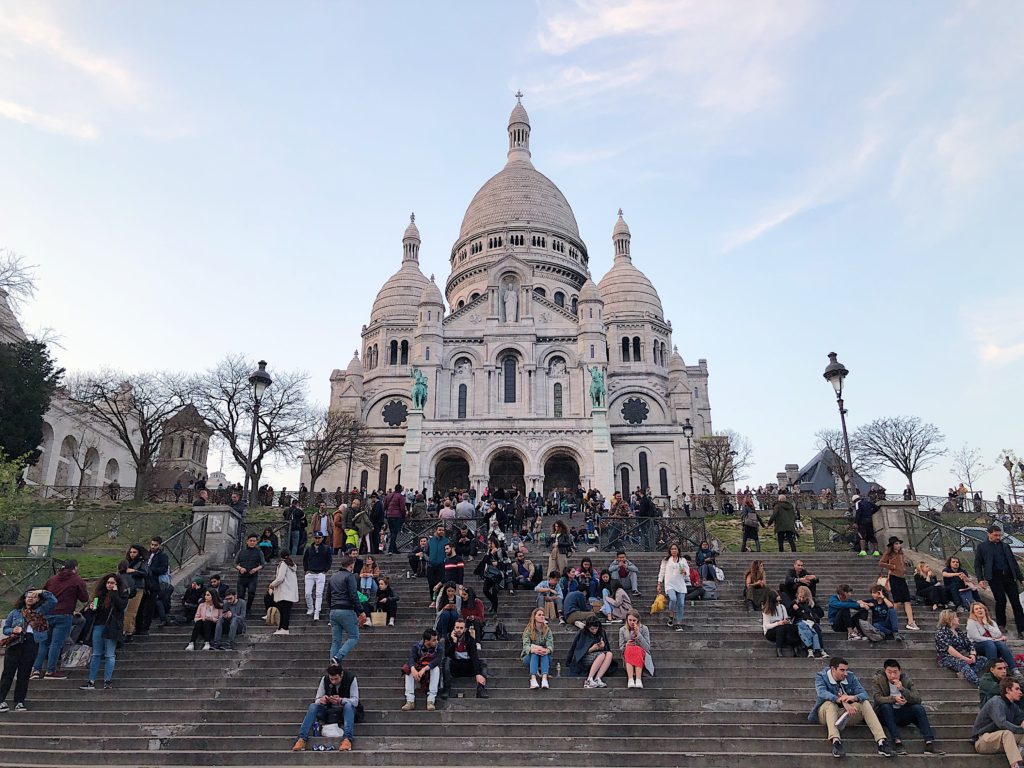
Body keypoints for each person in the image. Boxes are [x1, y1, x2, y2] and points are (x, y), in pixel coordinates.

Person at [808, 656, 894, 759]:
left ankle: (881, 742)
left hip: (847, 714)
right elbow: (822, 693)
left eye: (846, 670)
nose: (845, 673)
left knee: (864, 702)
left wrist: (852, 698)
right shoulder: (821, 676)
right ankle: (836, 742)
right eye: (842, 670)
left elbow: (864, 694)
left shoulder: (850, 677)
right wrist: (841, 700)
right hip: (826, 714)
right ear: (833, 669)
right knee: (830, 704)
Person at [871, 658, 942, 755]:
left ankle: (929, 742)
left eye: (895, 672)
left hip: (901, 713)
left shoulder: (906, 680)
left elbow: (917, 699)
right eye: (889, 672)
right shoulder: (878, 680)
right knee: (886, 706)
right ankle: (897, 742)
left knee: (918, 708)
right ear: (885, 671)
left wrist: (902, 690)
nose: (892, 675)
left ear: (899, 671)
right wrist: (894, 699)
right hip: (884, 714)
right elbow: (877, 698)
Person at [0, 588, 57, 712]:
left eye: (34, 596)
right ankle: (1, 700)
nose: (30, 598)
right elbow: (6, 629)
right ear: (24, 598)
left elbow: (53, 601)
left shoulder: (40, 611)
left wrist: (41, 591)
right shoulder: (15, 612)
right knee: (8, 673)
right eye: (28, 596)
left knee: (24, 674)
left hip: (31, 642)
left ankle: (19, 701)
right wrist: (13, 630)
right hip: (16, 642)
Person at [35, 560, 88, 680]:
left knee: (43, 643)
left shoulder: (52, 579)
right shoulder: (77, 580)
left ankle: (36, 670)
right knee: (56, 644)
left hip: (47, 614)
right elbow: (84, 598)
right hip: (64, 615)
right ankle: (50, 671)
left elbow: (43, 594)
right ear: (75, 567)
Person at [292, 663, 360, 752]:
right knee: (313, 706)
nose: (334, 682)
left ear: (342, 674)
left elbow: (355, 701)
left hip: (345, 712)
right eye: (331, 679)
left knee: (348, 706)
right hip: (329, 711)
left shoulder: (351, 678)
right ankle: (302, 739)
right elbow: (317, 700)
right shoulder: (325, 679)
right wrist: (322, 699)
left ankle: (347, 739)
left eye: (336, 679)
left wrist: (341, 700)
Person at [80, 574, 129, 691]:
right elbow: (93, 612)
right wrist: (92, 609)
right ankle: (91, 680)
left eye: (112, 583)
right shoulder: (100, 595)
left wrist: (115, 593)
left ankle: (108, 680)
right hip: (99, 625)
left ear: (117, 584)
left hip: (112, 627)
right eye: (108, 583)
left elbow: (121, 606)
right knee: (96, 654)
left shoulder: (122, 594)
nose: (109, 585)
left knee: (109, 654)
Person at [976, 525, 1024, 640]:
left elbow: (1013, 562)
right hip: (995, 577)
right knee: (1000, 600)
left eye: (999, 535)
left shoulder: (1005, 546)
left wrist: (1020, 578)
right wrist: (980, 579)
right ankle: (1001, 624)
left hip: (1008, 576)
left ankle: (1021, 629)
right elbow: (978, 564)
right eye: (995, 535)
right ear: (989, 534)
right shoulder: (982, 547)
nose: (998, 537)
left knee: (1016, 603)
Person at [972, 677, 1024, 767]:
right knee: (1007, 733)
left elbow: (1021, 717)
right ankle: (1015, 765)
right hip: (983, 740)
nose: (1020, 692)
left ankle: (1020, 757)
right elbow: (1002, 723)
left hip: (1002, 742)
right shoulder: (996, 702)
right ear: (1008, 690)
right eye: (1017, 689)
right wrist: (1021, 729)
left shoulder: (1013, 706)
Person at [934, 609, 988, 685]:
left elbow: (970, 644)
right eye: (956, 617)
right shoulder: (941, 633)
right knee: (961, 663)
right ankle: (979, 683)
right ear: (950, 619)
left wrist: (973, 655)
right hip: (946, 658)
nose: (958, 619)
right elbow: (950, 649)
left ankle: (964, 673)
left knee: (983, 659)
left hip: (963, 655)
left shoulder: (959, 631)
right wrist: (964, 658)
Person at [441, 617, 489, 699]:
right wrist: (454, 642)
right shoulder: (449, 638)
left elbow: (474, 656)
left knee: (483, 662)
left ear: (464, 629)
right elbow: (448, 655)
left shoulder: (470, 639)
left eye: (461, 628)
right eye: (457, 627)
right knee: (446, 660)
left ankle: (481, 689)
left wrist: (477, 673)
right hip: (455, 667)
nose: (459, 630)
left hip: (468, 666)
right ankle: (447, 689)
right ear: (454, 628)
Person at [877, 537, 918, 630]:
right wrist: (892, 566)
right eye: (896, 544)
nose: (898, 545)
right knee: (897, 601)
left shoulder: (901, 553)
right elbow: (881, 563)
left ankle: (911, 621)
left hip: (902, 577)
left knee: (907, 600)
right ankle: (891, 620)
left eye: (899, 543)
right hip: (894, 577)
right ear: (892, 545)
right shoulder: (889, 553)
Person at [968, 602, 1020, 675]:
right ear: (973, 612)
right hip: (977, 646)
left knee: (1000, 644)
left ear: (985, 610)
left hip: (992, 646)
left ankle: (1015, 670)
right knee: (990, 643)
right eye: (976, 609)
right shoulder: (971, 622)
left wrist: (986, 624)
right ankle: (992, 670)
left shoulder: (991, 622)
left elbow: (998, 634)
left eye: (981, 608)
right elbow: (977, 638)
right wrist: (993, 639)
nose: (979, 610)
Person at [566, 615, 615, 689]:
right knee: (602, 655)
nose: (594, 631)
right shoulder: (582, 633)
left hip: (599, 656)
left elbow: (607, 649)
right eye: (592, 629)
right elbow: (578, 651)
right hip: (584, 658)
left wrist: (602, 647)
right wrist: (592, 648)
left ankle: (597, 678)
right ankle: (589, 679)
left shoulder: (601, 632)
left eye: (596, 628)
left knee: (609, 654)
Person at [327, 555, 360, 664]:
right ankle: (338, 657)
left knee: (336, 641)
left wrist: (332, 607)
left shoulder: (333, 577)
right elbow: (353, 594)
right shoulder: (350, 576)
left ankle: (333, 666)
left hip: (333, 611)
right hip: (346, 609)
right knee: (354, 636)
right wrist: (360, 610)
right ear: (352, 565)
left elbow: (328, 596)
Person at [401, 629, 443, 711]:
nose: (436, 641)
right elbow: (411, 658)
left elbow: (437, 661)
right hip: (418, 667)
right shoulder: (416, 647)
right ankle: (410, 701)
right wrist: (413, 669)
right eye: (434, 640)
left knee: (436, 669)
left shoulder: (439, 648)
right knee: (408, 669)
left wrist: (424, 669)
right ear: (426, 641)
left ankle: (431, 700)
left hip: (428, 669)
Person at [657, 542, 689, 631]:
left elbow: (687, 572)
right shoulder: (666, 560)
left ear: (678, 550)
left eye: (675, 549)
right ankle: (671, 615)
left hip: (680, 584)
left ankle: (678, 622)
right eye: (672, 549)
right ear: (669, 551)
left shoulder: (683, 560)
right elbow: (662, 572)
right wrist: (659, 583)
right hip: (669, 584)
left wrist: (685, 572)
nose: (674, 551)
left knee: (681, 604)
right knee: (673, 599)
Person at [521, 607, 555, 690]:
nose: (542, 616)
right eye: (539, 615)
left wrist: (546, 650)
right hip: (529, 658)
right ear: (534, 617)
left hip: (544, 657)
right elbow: (526, 646)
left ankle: (544, 678)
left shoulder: (547, 630)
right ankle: (533, 678)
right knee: (535, 653)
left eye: (543, 615)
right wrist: (534, 649)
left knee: (543, 653)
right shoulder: (528, 630)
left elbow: (550, 645)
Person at [619, 610, 654, 688]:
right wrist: (626, 645)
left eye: (634, 620)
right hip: (628, 652)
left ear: (638, 620)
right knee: (629, 649)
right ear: (627, 620)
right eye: (630, 620)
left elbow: (647, 648)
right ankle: (630, 679)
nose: (632, 622)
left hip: (641, 652)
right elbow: (621, 647)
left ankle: (638, 679)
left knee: (637, 649)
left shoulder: (644, 629)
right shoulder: (622, 630)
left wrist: (638, 634)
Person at [303, 532, 332, 622]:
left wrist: (325, 570)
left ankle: (317, 611)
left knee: (319, 594)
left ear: (322, 538)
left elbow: (329, 560)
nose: (317, 539)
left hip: (320, 573)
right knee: (307, 593)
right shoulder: (309, 548)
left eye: (319, 538)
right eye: (316, 537)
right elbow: (305, 560)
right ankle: (310, 607)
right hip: (310, 573)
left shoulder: (326, 548)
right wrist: (306, 570)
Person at [121, 544, 149, 637]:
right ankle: (126, 630)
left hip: (137, 588)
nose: (132, 554)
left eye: (134, 552)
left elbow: (145, 573)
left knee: (131, 611)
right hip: (127, 588)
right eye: (131, 552)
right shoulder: (128, 562)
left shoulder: (142, 562)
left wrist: (134, 571)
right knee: (126, 611)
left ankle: (129, 632)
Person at [792, 585, 828, 658]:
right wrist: (799, 609)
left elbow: (821, 613)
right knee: (805, 628)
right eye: (800, 597)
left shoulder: (812, 603)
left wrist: (812, 608)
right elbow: (797, 614)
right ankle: (810, 649)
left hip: (811, 621)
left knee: (816, 629)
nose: (801, 599)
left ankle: (820, 649)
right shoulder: (795, 603)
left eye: (803, 597)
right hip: (800, 621)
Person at [235, 534, 266, 617]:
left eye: (254, 541)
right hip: (242, 577)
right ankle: (241, 609)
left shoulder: (259, 552)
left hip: (253, 577)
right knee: (240, 594)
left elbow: (263, 564)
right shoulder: (241, 551)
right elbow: (235, 563)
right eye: (251, 541)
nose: (252, 542)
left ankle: (248, 608)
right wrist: (240, 568)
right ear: (247, 541)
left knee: (251, 592)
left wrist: (256, 569)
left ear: (256, 542)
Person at [268, 551, 298, 636]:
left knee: (284, 612)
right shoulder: (292, 565)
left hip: (284, 592)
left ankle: (284, 628)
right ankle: (281, 628)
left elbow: (280, 578)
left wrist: (272, 584)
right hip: (290, 592)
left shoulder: (283, 564)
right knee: (285, 611)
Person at [762, 590, 800, 657]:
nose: (778, 603)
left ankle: (795, 647)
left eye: (779, 601)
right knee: (781, 628)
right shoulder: (767, 610)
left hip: (782, 627)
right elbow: (766, 626)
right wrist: (777, 623)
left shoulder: (782, 607)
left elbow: (786, 618)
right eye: (777, 601)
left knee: (792, 627)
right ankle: (778, 650)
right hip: (771, 631)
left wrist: (786, 621)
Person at [425, 525, 450, 603]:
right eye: (440, 530)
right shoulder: (430, 541)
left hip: (441, 566)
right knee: (431, 584)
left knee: (439, 583)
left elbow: (449, 552)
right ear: (436, 530)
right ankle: (433, 600)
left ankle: (439, 600)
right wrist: (429, 560)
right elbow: (425, 553)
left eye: (443, 530)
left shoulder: (446, 541)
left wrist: (445, 560)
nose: (441, 531)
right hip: (431, 566)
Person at [384, 484, 407, 555]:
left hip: (389, 516)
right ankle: (390, 550)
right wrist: (404, 516)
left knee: (392, 532)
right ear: (400, 489)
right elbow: (402, 508)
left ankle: (394, 549)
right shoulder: (401, 496)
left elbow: (385, 506)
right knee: (394, 533)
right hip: (397, 516)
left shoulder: (388, 495)